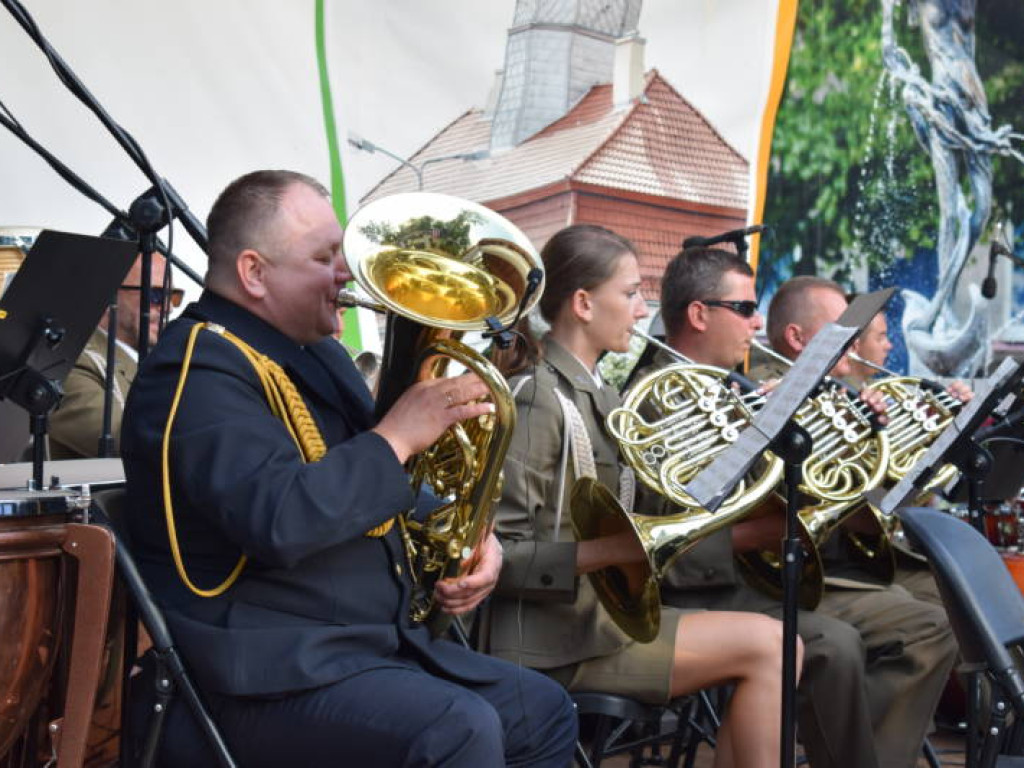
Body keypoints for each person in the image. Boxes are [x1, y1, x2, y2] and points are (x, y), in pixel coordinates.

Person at [121, 170, 576, 768]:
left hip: (360, 648)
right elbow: (280, 519)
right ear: (254, 273)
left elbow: (383, 487)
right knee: (456, 731)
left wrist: (468, 542)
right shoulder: (196, 372)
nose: (348, 273)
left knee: (541, 711)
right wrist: (396, 437)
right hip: (259, 673)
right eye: (324, 257)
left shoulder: (317, 355)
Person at [486, 224, 797, 768]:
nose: (640, 309)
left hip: (596, 623)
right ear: (583, 303)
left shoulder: (597, 392)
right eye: (629, 293)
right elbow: (502, 556)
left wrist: (749, 433)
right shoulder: (538, 398)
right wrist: (622, 552)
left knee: (779, 642)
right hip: (546, 643)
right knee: (771, 647)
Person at [760, 274, 958, 768]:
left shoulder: (840, 396)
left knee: (967, 596)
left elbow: (878, 510)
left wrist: (934, 440)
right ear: (799, 340)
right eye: (841, 329)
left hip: (838, 562)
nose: (857, 342)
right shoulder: (767, 393)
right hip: (794, 571)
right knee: (929, 624)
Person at [48, 252, 180, 459]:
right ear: (108, 295)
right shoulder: (71, 361)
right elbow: (126, 440)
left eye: (173, 296)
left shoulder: (164, 359)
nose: (168, 307)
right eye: (155, 295)